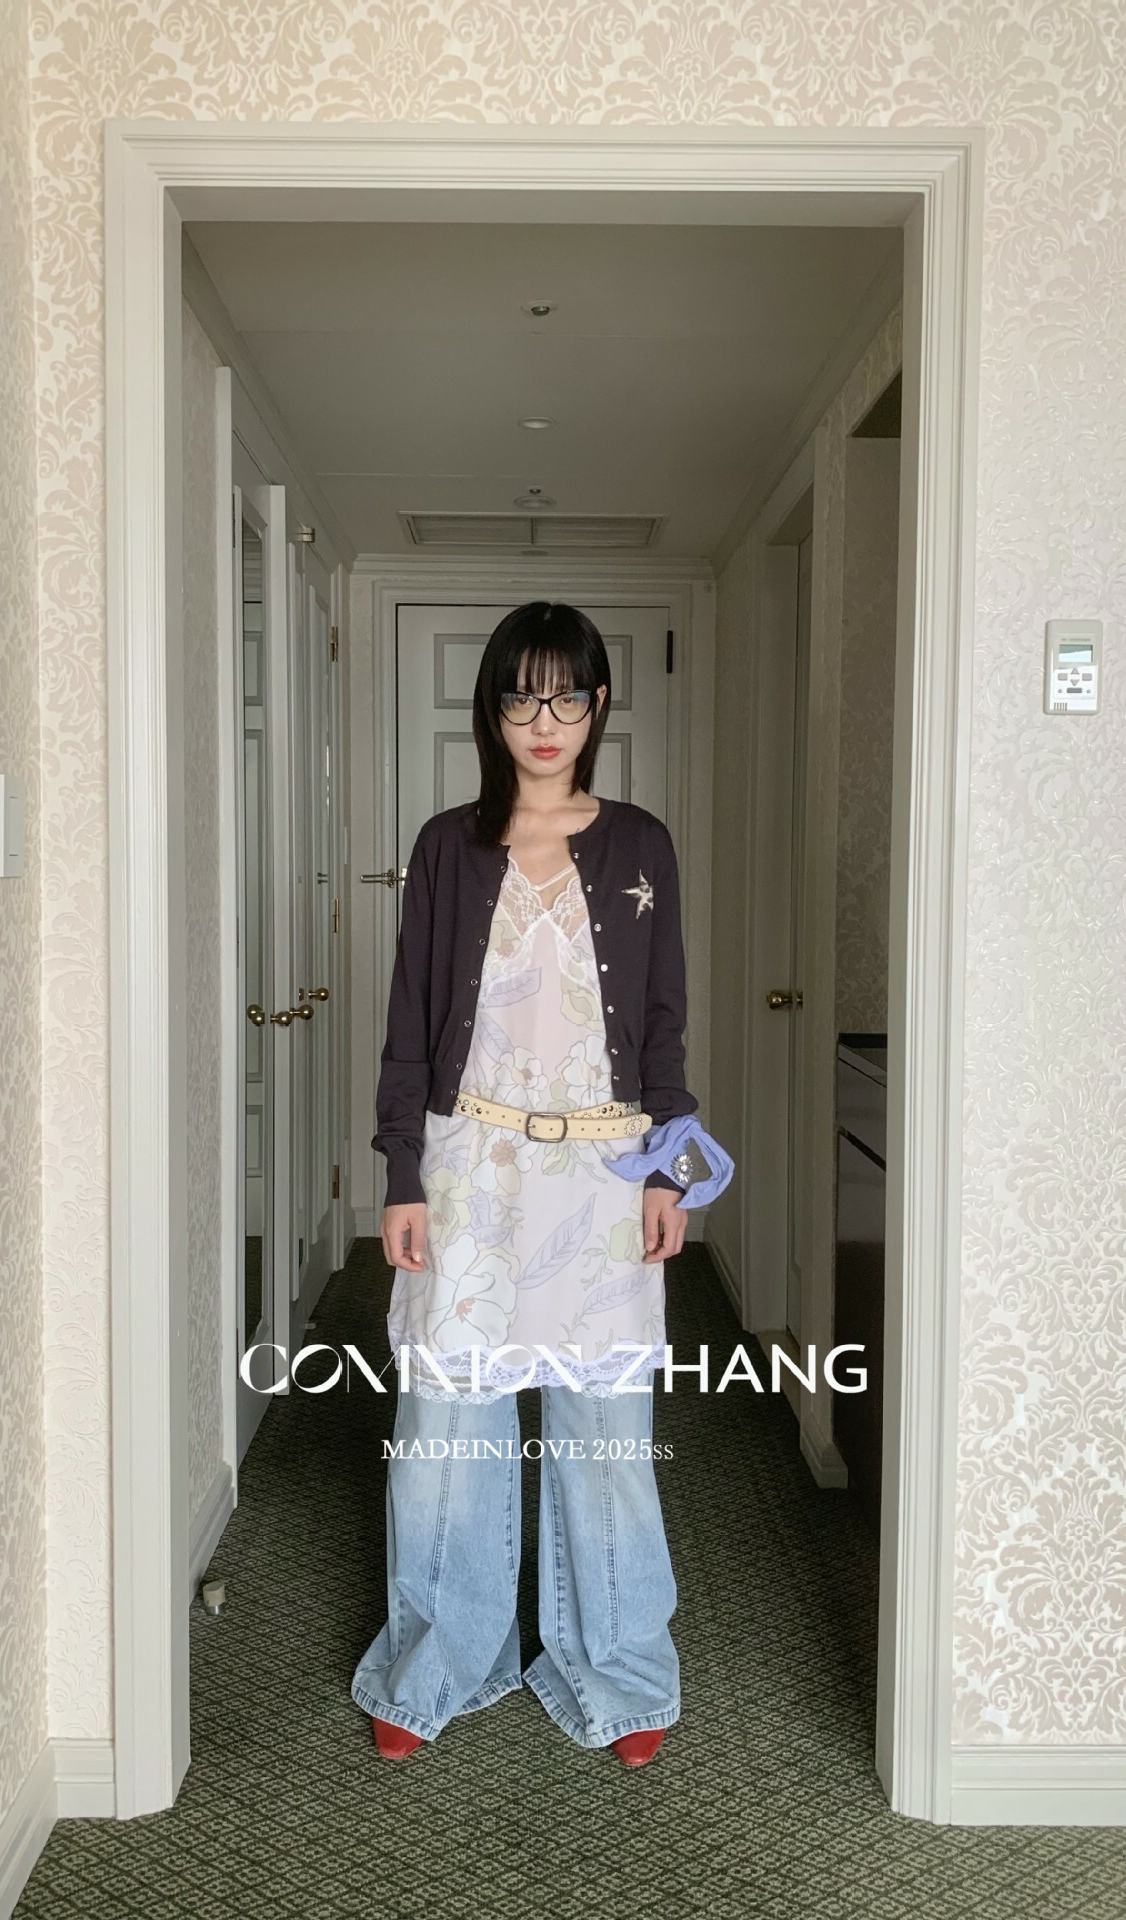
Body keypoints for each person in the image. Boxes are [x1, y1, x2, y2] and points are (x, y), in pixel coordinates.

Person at [350, 600, 701, 1768]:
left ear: (598, 705)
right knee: (448, 1424)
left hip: (605, 1168)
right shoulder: (447, 847)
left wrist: (669, 1173)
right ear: (491, 709)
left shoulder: (641, 844)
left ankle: (619, 1664)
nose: (544, 720)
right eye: (520, 695)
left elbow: (663, 1025)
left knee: (607, 1428)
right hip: (472, 1165)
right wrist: (402, 1172)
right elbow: (410, 1022)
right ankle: (439, 1654)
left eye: (567, 695)